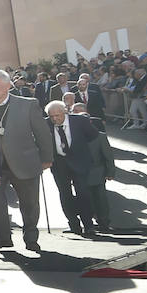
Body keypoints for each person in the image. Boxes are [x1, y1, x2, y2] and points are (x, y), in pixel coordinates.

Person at [0, 70, 52, 253]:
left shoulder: (27, 104)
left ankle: (30, 237)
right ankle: (2, 238)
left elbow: (42, 133)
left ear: (7, 86)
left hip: (25, 162)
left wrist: (46, 158)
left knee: (29, 205)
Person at [44, 100, 102, 236]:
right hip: (59, 163)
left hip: (79, 161)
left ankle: (88, 225)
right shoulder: (45, 123)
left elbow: (93, 135)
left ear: (65, 112)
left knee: (83, 194)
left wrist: (80, 147)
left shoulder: (79, 121)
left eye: (57, 115)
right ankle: (74, 225)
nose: (55, 119)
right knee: (65, 195)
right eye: (52, 116)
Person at [71, 102, 116, 231]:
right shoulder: (73, 137)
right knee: (85, 200)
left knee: (100, 199)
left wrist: (110, 172)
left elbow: (108, 156)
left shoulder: (100, 136)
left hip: (97, 173)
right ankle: (88, 221)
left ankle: (104, 222)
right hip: (80, 174)